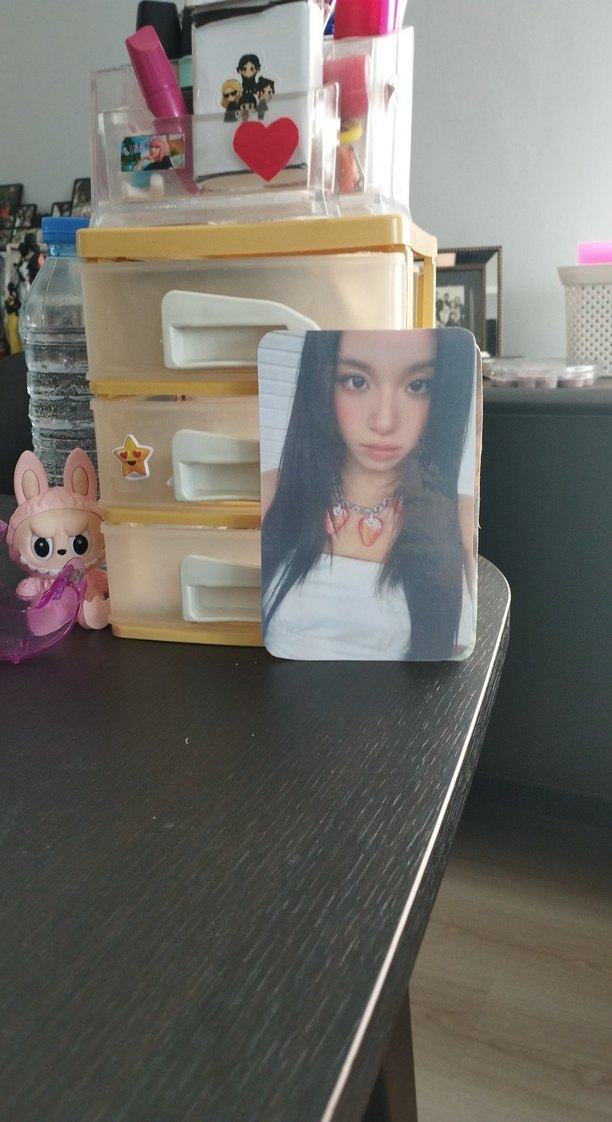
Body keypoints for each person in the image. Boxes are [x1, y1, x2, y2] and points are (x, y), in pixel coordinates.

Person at [260, 329, 478, 661]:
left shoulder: (458, 518)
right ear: (321, 382)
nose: (384, 422)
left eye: (418, 385)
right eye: (356, 381)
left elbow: (460, 667)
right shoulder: (272, 493)